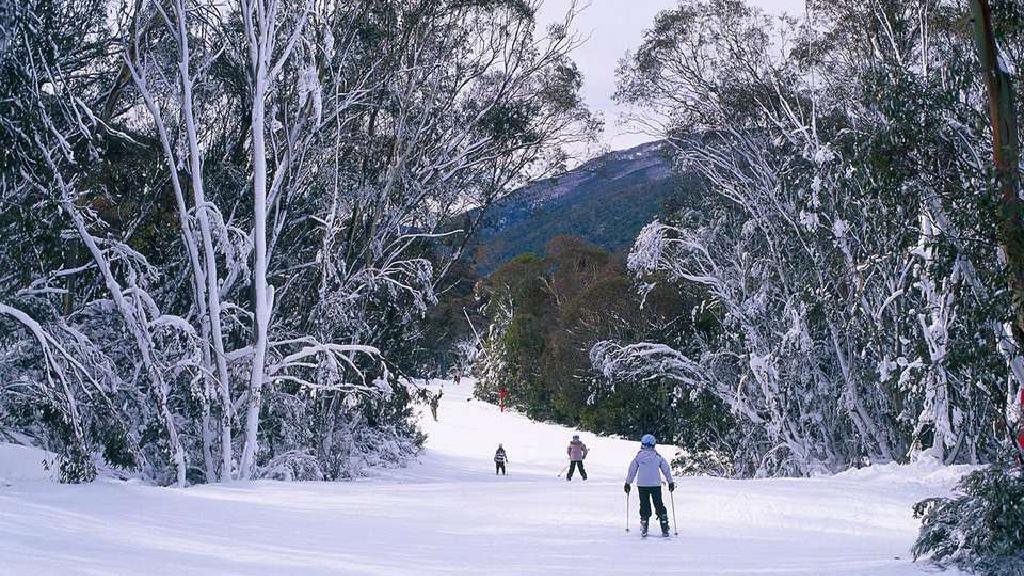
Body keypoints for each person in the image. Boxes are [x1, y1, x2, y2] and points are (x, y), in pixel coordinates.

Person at [623, 434, 674, 537]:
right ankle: (664, 524)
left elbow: (632, 470)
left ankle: (644, 523)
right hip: (655, 485)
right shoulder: (658, 457)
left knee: (644, 504)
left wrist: (628, 483)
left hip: (642, 485)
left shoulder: (638, 457)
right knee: (658, 503)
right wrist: (670, 482)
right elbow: (666, 469)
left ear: (642, 444)